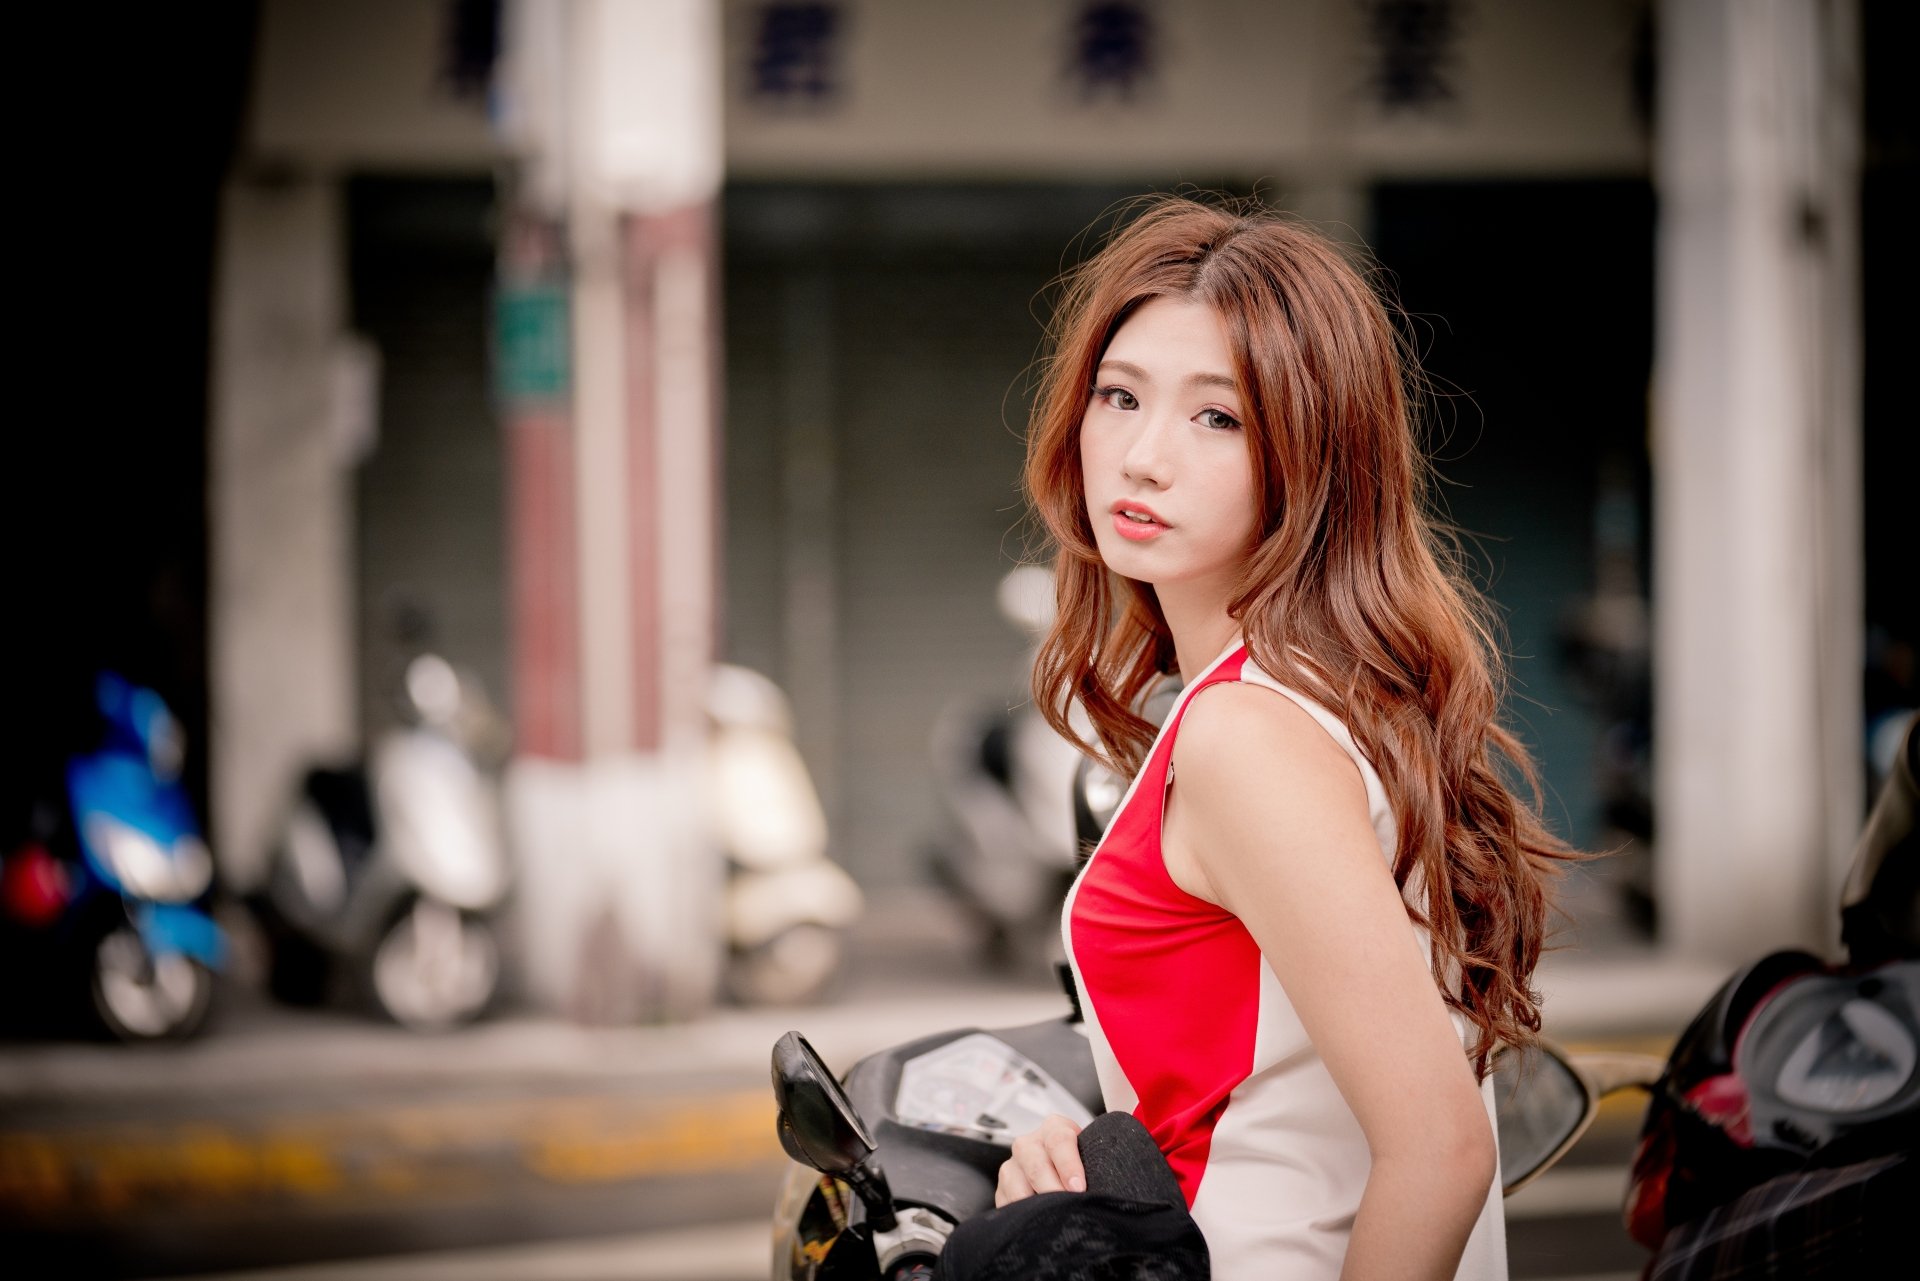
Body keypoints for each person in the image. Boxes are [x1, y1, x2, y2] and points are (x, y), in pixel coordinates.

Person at [990, 196, 1576, 1279]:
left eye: (1219, 417)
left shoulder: (1248, 735)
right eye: (1121, 396)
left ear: (1313, 456)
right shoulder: (1315, 697)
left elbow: (1441, 1152)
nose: (1143, 457)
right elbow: (1266, 1087)